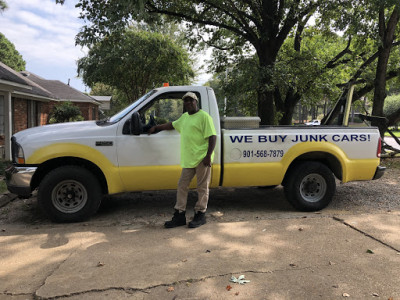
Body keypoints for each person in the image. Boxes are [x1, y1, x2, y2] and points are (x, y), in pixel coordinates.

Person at [148, 92, 217, 228]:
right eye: (186, 101)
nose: (188, 103)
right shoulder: (184, 117)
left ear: (196, 102)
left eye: (191, 100)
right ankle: (179, 215)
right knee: (182, 185)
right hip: (189, 159)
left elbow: (212, 136)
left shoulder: (204, 117)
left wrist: (208, 156)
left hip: (202, 158)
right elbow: (172, 125)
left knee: (202, 187)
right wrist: (157, 127)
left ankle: (200, 214)